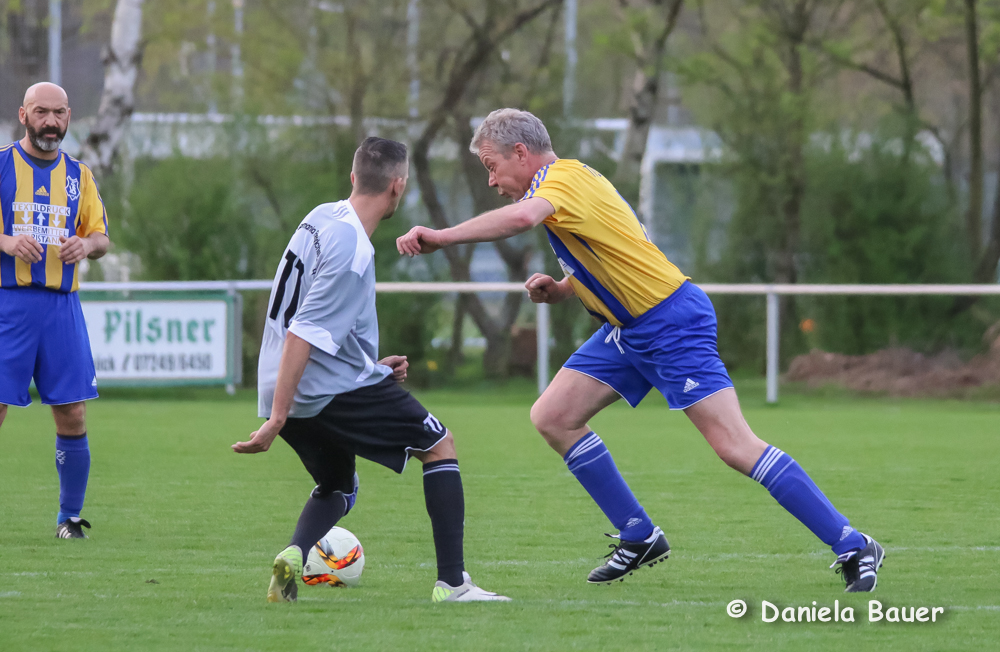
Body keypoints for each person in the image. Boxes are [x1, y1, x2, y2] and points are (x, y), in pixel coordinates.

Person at [396, 109, 885, 592]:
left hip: (670, 321)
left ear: (520, 152)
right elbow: (619, 251)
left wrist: (442, 236)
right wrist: (563, 290)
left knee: (735, 446)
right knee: (553, 415)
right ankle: (639, 534)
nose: (490, 180)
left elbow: (522, 217)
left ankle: (853, 541)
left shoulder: (559, 180)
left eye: (491, 166)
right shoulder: (572, 183)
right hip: (628, 329)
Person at [233, 137, 510, 604]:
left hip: (291, 379)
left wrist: (371, 367)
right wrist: (277, 419)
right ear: (398, 187)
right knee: (438, 444)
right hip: (313, 387)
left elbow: (313, 318)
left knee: (339, 485)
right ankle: (454, 584)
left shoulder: (321, 217)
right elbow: (303, 332)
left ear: (353, 177)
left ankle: (294, 556)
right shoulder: (353, 249)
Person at [0, 82, 110, 540]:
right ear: (24, 115)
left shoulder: (79, 176)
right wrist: (5, 240)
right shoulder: (2, 166)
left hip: (63, 308)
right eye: (41, 112)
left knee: (72, 414)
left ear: (69, 117)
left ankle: (69, 518)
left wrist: (85, 244)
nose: (50, 122)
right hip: (9, 305)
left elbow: (102, 238)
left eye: (59, 113)